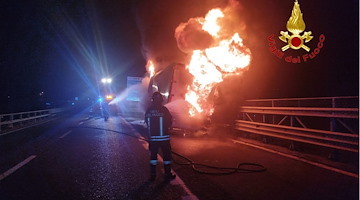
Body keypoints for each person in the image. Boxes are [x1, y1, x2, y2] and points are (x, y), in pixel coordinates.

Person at [145, 92, 176, 182]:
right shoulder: (164, 110)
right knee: (166, 157)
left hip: (153, 139)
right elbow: (170, 122)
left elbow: (147, 122)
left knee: (153, 157)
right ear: (161, 100)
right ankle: (167, 174)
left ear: (153, 100)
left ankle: (153, 175)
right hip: (164, 139)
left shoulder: (149, 110)